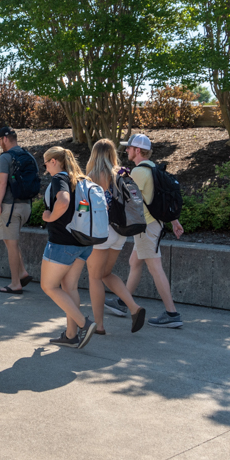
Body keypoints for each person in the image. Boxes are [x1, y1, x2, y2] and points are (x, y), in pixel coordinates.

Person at [108, 134, 185, 328]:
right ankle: (123, 302)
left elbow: (126, 198)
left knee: (155, 267)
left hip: (146, 227)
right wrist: (174, 221)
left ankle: (172, 313)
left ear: (138, 150)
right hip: (154, 224)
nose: (126, 151)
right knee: (134, 262)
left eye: (129, 148)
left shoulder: (140, 172)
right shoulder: (153, 168)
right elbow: (157, 199)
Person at [85, 139, 147, 334]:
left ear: (95, 155)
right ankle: (134, 308)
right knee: (105, 274)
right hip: (120, 232)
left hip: (101, 232)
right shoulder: (121, 174)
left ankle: (99, 326)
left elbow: (85, 206)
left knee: (95, 277)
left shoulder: (92, 176)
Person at [39, 146, 96, 349]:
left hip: (62, 243)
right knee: (69, 287)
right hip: (84, 243)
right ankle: (71, 336)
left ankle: (83, 324)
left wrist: (49, 217)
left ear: (54, 161)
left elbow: (63, 201)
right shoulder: (82, 179)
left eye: (46, 163)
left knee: (48, 286)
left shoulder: (59, 179)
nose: (45, 168)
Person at [0, 127, 34, 294]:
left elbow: (2, 182)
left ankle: (15, 283)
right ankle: (22, 272)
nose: (0, 145)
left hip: (10, 207)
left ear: (4, 139)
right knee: (11, 241)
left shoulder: (5, 157)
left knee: (11, 244)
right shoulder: (28, 155)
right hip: (26, 206)